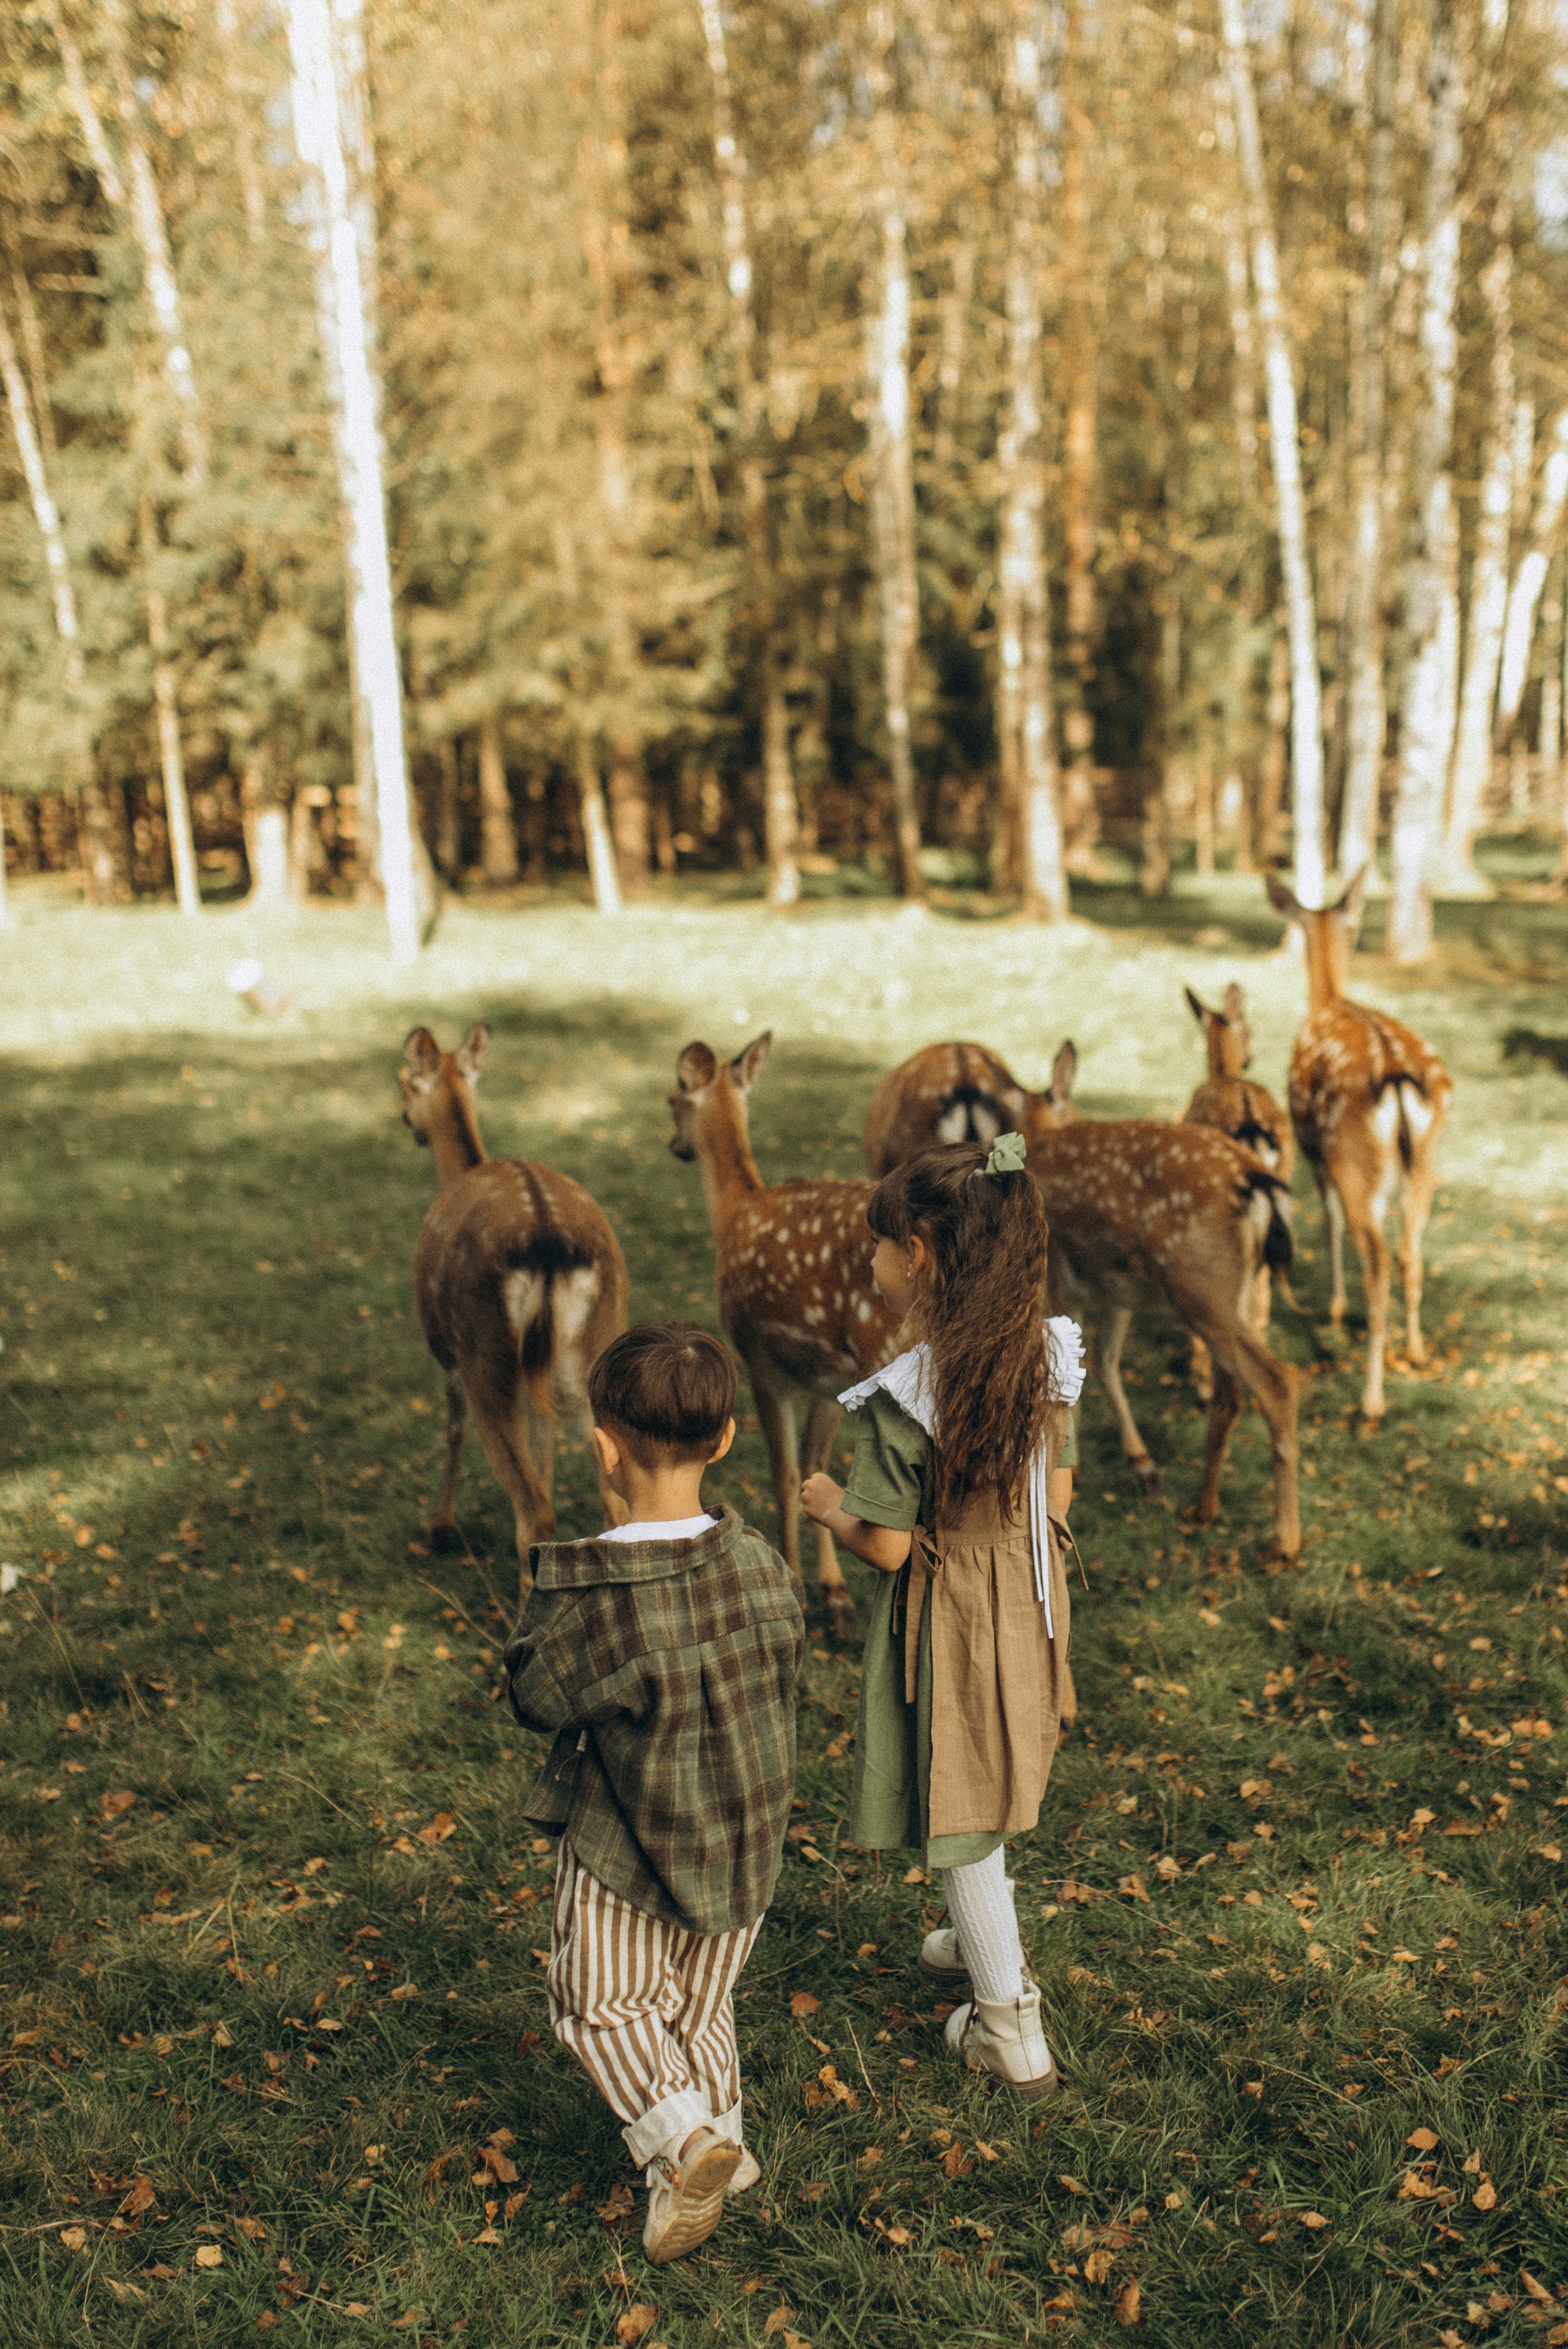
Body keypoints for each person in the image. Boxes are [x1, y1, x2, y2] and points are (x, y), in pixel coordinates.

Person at [503, 1322, 803, 2263]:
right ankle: (725, 2154)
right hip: (746, 1836)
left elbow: (535, 1696)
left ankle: (687, 2145)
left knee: (601, 2001)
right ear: (723, 1442)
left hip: (628, 1841)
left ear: (602, 1447)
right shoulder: (760, 1561)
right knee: (697, 2008)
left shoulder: (599, 1591)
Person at [801, 1133, 1083, 2100]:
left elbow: (883, 1545)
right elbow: (1059, 1496)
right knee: (988, 1774)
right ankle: (976, 1932)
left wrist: (825, 1501)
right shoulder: (1046, 1358)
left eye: (879, 1244)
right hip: (1026, 1603)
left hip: (953, 1615)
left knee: (960, 1809)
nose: (871, 1260)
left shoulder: (905, 1400)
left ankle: (1009, 2029)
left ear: (917, 1254)